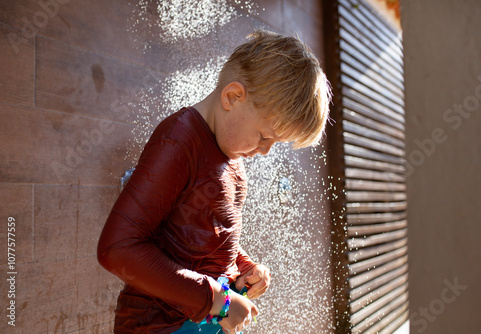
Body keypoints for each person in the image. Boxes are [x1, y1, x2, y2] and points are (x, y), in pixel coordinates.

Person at [97, 30, 331, 334]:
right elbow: (117, 247)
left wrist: (243, 268)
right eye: (264, 136)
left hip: (198, 324)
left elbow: (204, 236)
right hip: (158, 326)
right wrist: (217, 301)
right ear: (233, 97)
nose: (264, 151)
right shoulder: (179, 141)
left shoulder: (232, 157)